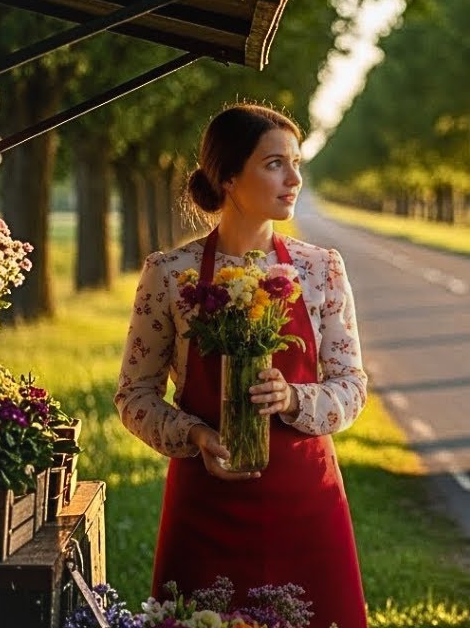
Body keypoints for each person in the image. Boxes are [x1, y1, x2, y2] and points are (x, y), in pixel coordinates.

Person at [116, 103, 368, 628]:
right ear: (228, 176)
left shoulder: (321, 269)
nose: (294, 178)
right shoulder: (169, 274)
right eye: (275, 163)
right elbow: (134, 395)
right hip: (204, 507)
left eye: (296, 162)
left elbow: (351, 386)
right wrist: (196, 436)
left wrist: (296, 398)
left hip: (306, 506)